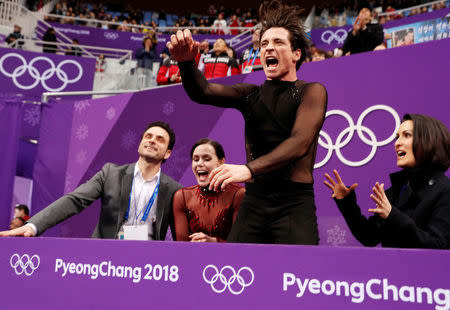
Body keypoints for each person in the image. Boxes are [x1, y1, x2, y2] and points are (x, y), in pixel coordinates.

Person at [167, 0, 328, 245]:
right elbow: (203, 91)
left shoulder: (312, 92)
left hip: (294, 205)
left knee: (296, 277)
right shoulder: (250, 94)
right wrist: (186, 64)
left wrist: (248, 169)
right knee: (235, 273)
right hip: (254, 203)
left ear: (296, 54)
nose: (268, 48)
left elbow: (300, 142)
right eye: (264, 43)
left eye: (278, 42)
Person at [0, 121, 182, 240]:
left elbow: (181, 237)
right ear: (140, 144)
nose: (151, 141)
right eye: (148, 137)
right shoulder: (110, 173)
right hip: (103, 261)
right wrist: (33, 225)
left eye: (160, 139)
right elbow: (74, 200)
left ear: (167, 153)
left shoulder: (175, 190)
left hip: (149, 266)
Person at [324, 114, 450, 249]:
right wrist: (347, 203)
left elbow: (439, 245)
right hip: (389, 269)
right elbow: (369, 237)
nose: (397, 143)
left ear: (429, 140)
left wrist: (393, 215)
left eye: (406, 135)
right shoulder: (398, 189)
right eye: (397, 137)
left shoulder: (445, 190)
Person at [173, 139, 245, 242]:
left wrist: (213, 242)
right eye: (196, 159)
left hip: (229, 257)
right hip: (193, 257)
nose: (200, 164)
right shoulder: (182, 196)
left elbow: (240, 245)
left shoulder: (238, 194)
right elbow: (181, 245)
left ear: (221, 163)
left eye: (206, 159)